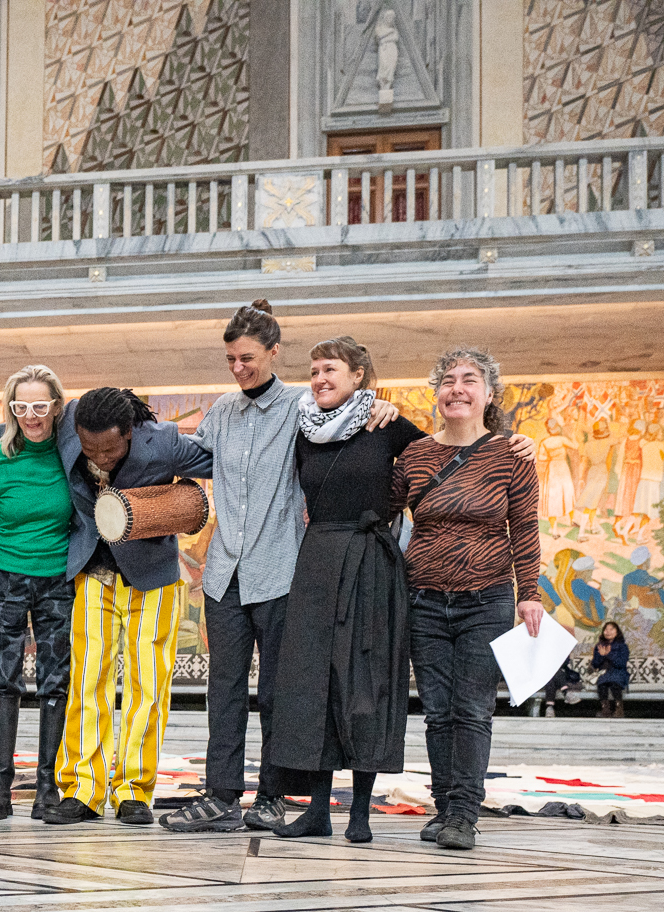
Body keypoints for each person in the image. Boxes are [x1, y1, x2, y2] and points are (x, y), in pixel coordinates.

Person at [160, 300, 402, 835]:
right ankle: (221, 795)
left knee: (277, 692)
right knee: (223, 691)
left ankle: (271, 796)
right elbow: (195, 455)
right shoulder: (222, 411)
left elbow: (352, 424)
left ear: (273, 353)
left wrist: (378, 406)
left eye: (247, 358)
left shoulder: (302, 406)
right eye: (230, 359)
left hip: (282, 569)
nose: (238, 368)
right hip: (224, 574)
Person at [262, 337, 426, 844]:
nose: (319, 379)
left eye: (329, 369)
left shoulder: (385, 423)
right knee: (314, 683)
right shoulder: (303, 428)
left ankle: (360, 812)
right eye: (313, 371)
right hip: (316, 560)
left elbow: (443, 453)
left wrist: (511, 443)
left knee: (364, 682)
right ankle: (317, 811)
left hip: (369, 560)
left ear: (358, 376)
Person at [45, 388, 213, 827]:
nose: (99, 458)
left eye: (110, 450)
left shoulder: (164, 441)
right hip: (92, 574)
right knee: (87, 682)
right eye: (90, 449)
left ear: (130, 433)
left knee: (148, 686)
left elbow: (219, 459)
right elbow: (14, 435)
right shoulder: (69, 422)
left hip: (153, 578)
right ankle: (82, 789)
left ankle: (134, 791)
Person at [398, 348, 543, 852]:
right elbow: (380, 511)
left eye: (469, 379)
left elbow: (524, 527)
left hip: (488, 600)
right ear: (436, 393)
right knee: (437, 711)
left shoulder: (512, 455)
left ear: (489, 394)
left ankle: (463, 813)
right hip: (423, 599)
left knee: (473, 709)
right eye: (447, 380)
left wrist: (530, 595)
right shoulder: (414, 455)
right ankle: (444, 808)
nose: (456, 388)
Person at [0, 366, 77, 821]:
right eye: (21, 407)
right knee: (2, 681)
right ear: (10, 409)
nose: (30, 416)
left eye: (39, 406)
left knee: (56, 681)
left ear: (56, 406)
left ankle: (48, 787)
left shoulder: (71, 458)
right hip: (6, 577)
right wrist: (0, 562)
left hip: (59, 578)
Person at [593, 620, 631, 716]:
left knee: (614, 682)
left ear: (617, 632)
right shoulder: (599, 646)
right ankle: (605, 710)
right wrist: (601, 656)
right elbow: (595, 664)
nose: (608, 632)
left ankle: (619, 709)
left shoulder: (622, 646)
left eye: (611, 629)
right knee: (602, 683)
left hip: (619, 672)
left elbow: (621, 663)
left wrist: (608, 654)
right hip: (604, 672)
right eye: (606, 630)